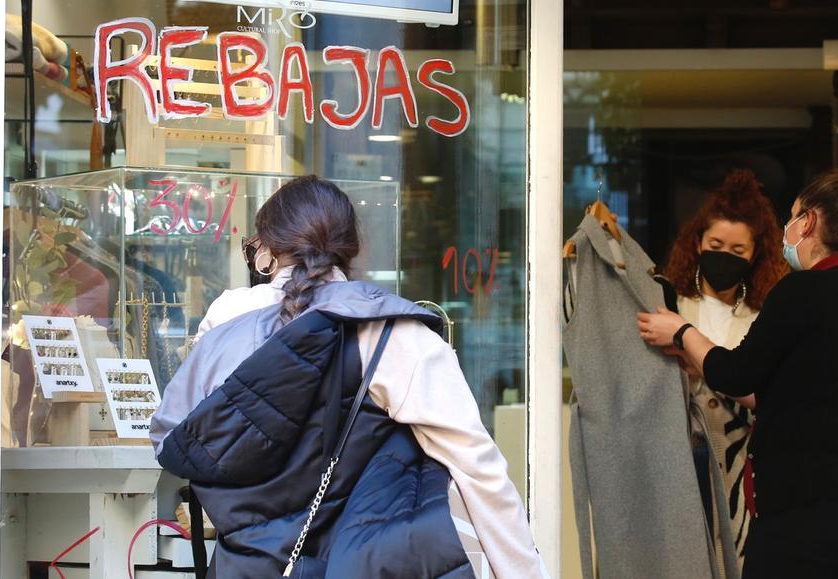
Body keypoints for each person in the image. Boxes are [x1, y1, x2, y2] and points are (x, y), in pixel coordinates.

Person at [151, 176, 547, 578]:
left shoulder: (221, 327)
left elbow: (177, 436)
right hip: (358, 562)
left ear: (268, 249)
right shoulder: (392, 333)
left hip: (239, 567)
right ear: (351, 249)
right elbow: (478, 469)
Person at [637, 169, 838, 579]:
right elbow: (780, 389)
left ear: (808, 221)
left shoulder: (799, 292)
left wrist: (683, 334)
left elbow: (739, 375)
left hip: (795, 510)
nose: (787, 229)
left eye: (793, 217)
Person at [659, 169, 788, 575]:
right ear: (697, 243)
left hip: (744, 470)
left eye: (737, 249)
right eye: (715, 244)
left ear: (755, 253)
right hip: (678, 463)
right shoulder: (671, 305)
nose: (724, 256)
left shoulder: (764, 315)